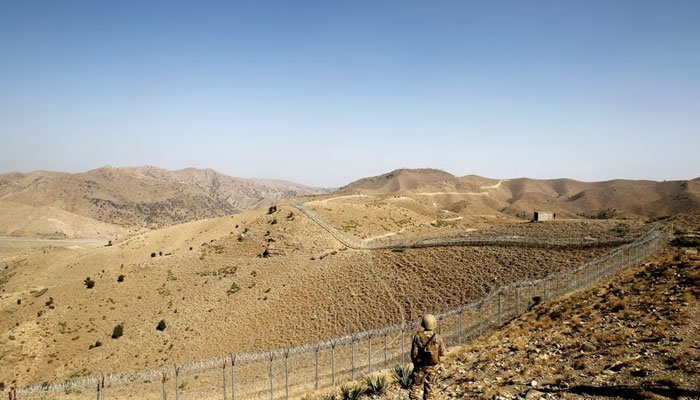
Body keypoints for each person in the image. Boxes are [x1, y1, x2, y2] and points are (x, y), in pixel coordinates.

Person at [410, 314, 446, 400]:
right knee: (430, 391)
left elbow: (413, 354)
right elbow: (443, 353)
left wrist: (417, 364)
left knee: (415, 391)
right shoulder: (438, 338)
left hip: (420, 368)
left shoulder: (418, 337)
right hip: (433, 368)